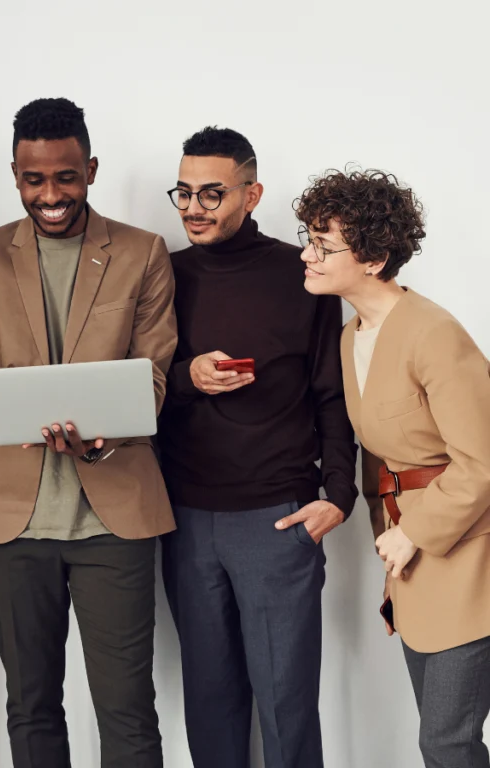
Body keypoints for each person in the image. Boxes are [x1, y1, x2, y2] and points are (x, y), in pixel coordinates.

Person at [0, 97, 177, 768]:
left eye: (66, 177)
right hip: (11, 518)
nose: (50, 195)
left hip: (115, 517)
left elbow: (155, 373)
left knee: (128, 710)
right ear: (14, 173)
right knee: (32, 707)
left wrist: (108, 432)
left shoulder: (142, 251)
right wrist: (17, 401)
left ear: (91, 169)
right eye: (34, 179)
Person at [157, 127, 358, 768]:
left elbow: (331, 392)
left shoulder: (297, 275)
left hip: (278, 517)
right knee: (210, 706)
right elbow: (133, 381)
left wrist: (340, 494)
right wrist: (189, 377)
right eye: (184, 192)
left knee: (286, 706)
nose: (194, 207)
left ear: (252, 193)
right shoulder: (161, 273)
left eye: (212, 193)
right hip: (184, 517)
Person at [296, 168, 490, 768]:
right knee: (439, 739)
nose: (307, 254)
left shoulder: (434, 333)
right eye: (309, 239)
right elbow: (383, 457)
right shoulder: (352, 335)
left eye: (323, 246)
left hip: (472, 553)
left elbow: (483, 462)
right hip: (410, 556)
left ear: (375, 258)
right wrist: (392, 539)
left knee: (445, 741)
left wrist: (412, 532)